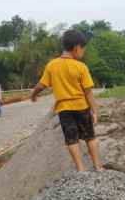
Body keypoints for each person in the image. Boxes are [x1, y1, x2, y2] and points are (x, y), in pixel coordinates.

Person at [28, 30, 104, 172]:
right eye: (83, 48)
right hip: (81, 107)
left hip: (64, 110)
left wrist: (34, 94)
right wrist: (94, 110)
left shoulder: (52, 65)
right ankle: (98, 166)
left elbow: (41, 85)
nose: (83, 52)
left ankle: (80, 168)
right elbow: (88, 92)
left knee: (71, 139)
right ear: (76, 47)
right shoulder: (81, 67)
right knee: (90, 137)